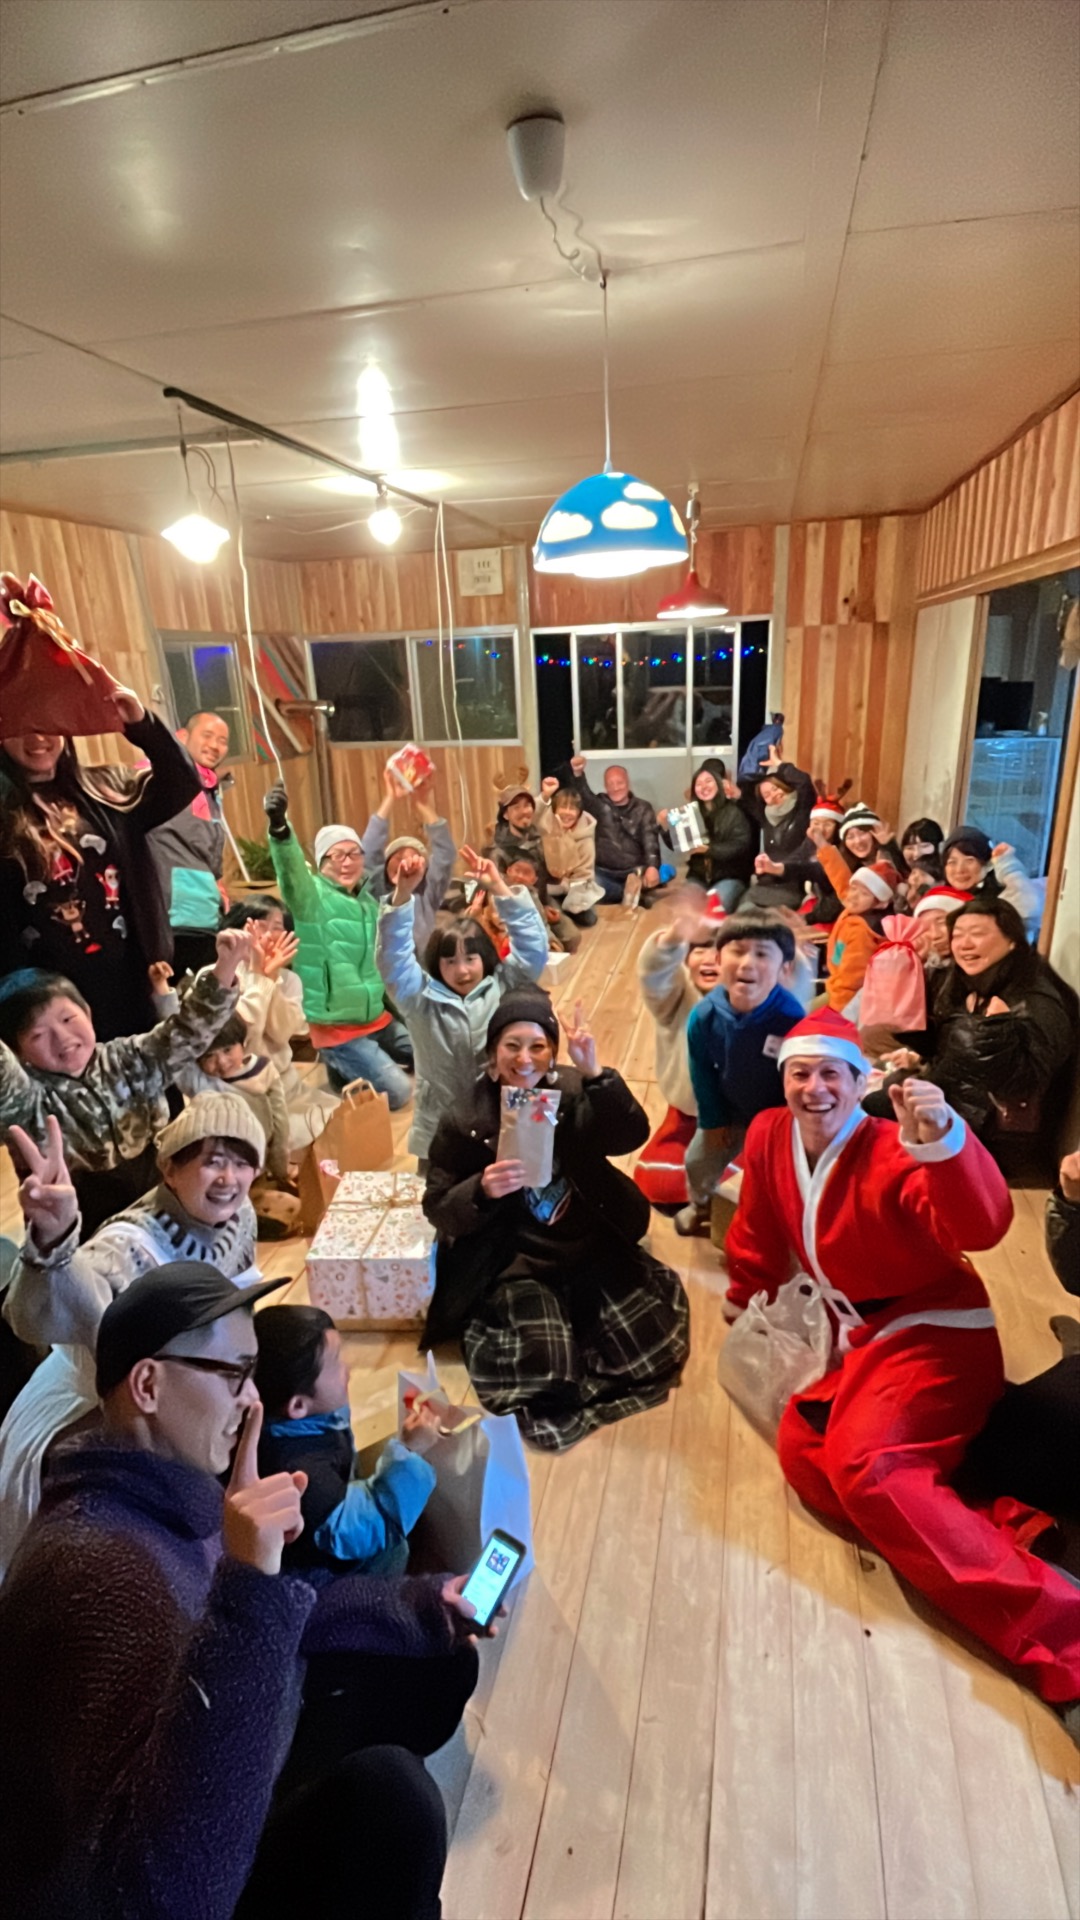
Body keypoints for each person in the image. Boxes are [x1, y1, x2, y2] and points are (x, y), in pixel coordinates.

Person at [0, 1262, 484, 1918]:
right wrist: (251, 1584)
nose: (253, 1399)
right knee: (394, 1803)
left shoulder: (163, 1490)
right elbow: (165, 1892)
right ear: (148, 1385)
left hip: (228, 1757)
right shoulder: (96, 1571)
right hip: (189, 1863)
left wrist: (426, 1604)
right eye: (234, 1375)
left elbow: (284, 1612)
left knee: (437, 1658)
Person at [724, 1009, 1080, 1729]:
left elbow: (981, 1227)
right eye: (801, 1073)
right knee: (804, 1451)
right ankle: (1003, 1527)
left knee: (867, 1469)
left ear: (860, 1083)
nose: (815, 1089)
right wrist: (745, 1299)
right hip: (860, 1337)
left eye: (832, 1074)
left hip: (936, 1329)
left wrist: (944, 1143)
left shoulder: (894, 1150)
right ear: (783, 1079)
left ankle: (1063, 1640)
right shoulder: (767, 1135)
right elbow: (757, 1226)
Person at [0, 1091, 266, 1576]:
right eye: (212, 1162)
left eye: (243, 1163)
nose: (229, 1179)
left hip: (182, 1407)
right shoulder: (128, 1245)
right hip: (93, 1422)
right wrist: (53, 1242)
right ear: (170, 1169)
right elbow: (39, 1314)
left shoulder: (239, 1216)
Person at [423, 990, 690, 1451]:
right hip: (513, 1260)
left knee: (647, 1344)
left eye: (538, 1046)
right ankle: (564, 1357)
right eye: (511, 1046)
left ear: (551, 1054)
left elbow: (630, 1135)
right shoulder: (465, 1117)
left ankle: (580, 1350)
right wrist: (481, 1189)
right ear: (492, 1055)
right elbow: (437, 1204)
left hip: (586, 1242)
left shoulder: (572, 1089)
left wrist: (596, 1074)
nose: (524, 1059)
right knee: (545, 1370)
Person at [0, 929, 248, 1237]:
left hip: (166, 1208)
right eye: (37, 1035)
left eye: (67, 1019)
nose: (62, 1038)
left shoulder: (129, 1058)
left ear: (87, 1012)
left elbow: (188, 1030)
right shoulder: (26, 1100)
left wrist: (225, 967)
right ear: (17, 1052)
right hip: (79, 1231)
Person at [0, 699, 202, 1041]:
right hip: (48, 1008)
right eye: (21, 728)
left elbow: (181, 781)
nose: (38, 738)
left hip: (133, 982)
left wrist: (141, 722)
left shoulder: (106, 787)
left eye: (47, 725)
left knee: (145, 1069)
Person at [376, 846, 549, 1166]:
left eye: (470, 958)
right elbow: (393, 958)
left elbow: (533, 950)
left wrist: (500, 888)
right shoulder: (419, 998)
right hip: (440, 1125)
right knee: (440, 1192)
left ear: (484, 957)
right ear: (436, 964)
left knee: (504, 1188)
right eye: (450, 961)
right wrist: (401, 896)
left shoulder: (504, 985)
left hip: (500, 1120)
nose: (463, 970)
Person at [255, 1305, 440, 1581]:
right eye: (336, 1364)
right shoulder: (302, 1474)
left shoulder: (287, 1419)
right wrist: (410, 1451)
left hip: (330, 1517)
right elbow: (369, 1528)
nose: (349, 1368)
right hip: (323, 1576)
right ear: (298, 1405)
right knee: (394, 1550)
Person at [872, 897, 1078, 1144]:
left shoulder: (1034, 999)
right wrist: (908, 1021)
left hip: (989, 1131)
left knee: (869, 1115)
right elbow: (949, 1050)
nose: (965, 944)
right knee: (871, 1100)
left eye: (977, 934)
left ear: (1012, 941)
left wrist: (998, 1027)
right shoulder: (968, 983)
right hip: (951, 1099)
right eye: (958, 935)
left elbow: (1025, 1087)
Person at [262, 779, 413, 1110]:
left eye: (354, 854)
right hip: (337, 1027)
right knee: (400, 1093)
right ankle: (341, 1059)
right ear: (321, 863)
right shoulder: (311, 897)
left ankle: (346, 1071)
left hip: (374, 1017)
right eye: (337, 856)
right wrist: (280, 829)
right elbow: (290, 871)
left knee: (428, 1053)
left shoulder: (367, 902)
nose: (347, 862)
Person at [682, 908, 805, 1236]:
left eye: (762, 954)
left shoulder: (792, 1019)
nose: (747, 963)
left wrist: (783, 1126)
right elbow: (701, 1071)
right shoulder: (704, 1015)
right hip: (730, 1110)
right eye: (737, 951)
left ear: (785, 968)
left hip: (777, 1117)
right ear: (718, 959)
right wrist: (713, 1120)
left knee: (771, 1176)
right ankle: (701, 1205)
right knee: (697, 1161)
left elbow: (798, 1078)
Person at [633, 890, 724, 1210]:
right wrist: (673, 937)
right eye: (700, 950)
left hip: (737, 1120)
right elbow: (654, 975)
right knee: (658, 1182)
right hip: (688, 1116)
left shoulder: (749, 997)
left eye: (721, 950)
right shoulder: (675, 998)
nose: (710, 958)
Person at [148, 709, 232, 977]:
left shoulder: (207, 787)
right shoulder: (158, 777)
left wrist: (218, 884)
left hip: (204, 912)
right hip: (173, 916)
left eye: (222, 741)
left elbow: (209, 848)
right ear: (182, 736)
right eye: (207, 735)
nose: (215, 745)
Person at [364, 763, 456, 952]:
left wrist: (423, 805)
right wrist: (390, 798)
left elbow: (445, 855)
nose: (406, 864)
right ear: (386, 865)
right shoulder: (377, 893)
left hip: (422, 965)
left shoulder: (427, 894)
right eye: (398, 858)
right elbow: (368, 853)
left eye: (414, 859)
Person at [811, 843, 900, 1012]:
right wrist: (824, 847)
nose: (853, 896)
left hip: (846, 1001)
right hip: (835, 984)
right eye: (854, 889)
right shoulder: (859, 909)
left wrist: (833, 1014)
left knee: (799, 1018)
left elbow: (851, 982)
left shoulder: (862, 932)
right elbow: (842, 881)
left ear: (880, 903)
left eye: (864, 893)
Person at [565, 755, 662, 906]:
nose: (615, 788)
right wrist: (578, 773)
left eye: (620, 783)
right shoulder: (599, 805)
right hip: (604, 872)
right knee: (586, 886)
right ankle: (629, 892)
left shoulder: (643, 808)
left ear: (628, 783)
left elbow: (650, 839)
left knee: (661, 872)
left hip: (635, 870)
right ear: (605, 786)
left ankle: (636, 889)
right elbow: (584, 794)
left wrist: (652, 866)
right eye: (610, 784)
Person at [658, 758, 754, 910]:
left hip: (729, 877)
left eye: (709, 781)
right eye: (699, 784)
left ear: (719, 784)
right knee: (685, 909)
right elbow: (678, 846)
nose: (704, 787)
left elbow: (740, 845)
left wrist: (708, 849)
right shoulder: (689, 812)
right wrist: (664, 826)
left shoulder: (734, 812)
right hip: (698, 876)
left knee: (713, 908)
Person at [740, 747, 816, 910]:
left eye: (775, 788)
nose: (773, 795)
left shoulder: (801, 810)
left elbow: (804, 782)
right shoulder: (767, 817)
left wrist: (779, 764)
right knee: (743, 910)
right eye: (766, 795)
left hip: (791, 883)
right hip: (766, 882)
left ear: (784, 786)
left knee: (764, 917)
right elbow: (745, 797)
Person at [536, 779, 603, 926]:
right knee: (555, 917)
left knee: (588, 919)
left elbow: (584, 875)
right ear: (554, 809)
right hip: (545, 886)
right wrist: (545, 795)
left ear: (579, 813)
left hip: (569, 887)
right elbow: (531, 816)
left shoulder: (585, 838)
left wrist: (566, 889)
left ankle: (563, 909)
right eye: (562, 807)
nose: (567, 813)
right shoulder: (545, 823)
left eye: (572, 808)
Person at [941, 825, 1039, 927]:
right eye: (952, 862)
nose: (959, 870)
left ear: (987, 864)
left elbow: (1030, 908)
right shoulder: (939, 901)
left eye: (969, 861)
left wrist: (1006, 864)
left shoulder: (999, 903)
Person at [499, 848, 581, 954]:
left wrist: (552, 935)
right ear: (508, 871)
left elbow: (542, 924)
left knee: (572, 937)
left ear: (534, 880)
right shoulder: (497, 887)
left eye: (526, 873)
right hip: (507, 935)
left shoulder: (532, 895)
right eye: (517, 870)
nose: (519, 876)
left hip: (534, 931)